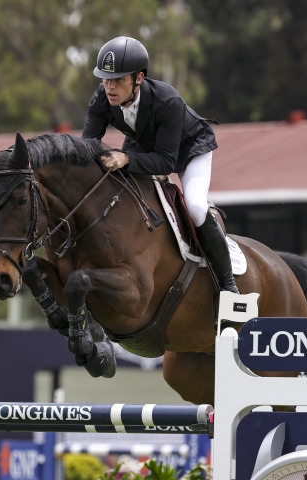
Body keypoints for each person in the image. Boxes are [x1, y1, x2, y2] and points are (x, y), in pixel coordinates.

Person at [82, 36, 239, 294]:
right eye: (105, 79)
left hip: (189, 150)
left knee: (196, 208)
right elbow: (87, 145)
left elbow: (166, 162)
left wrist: (127, 158)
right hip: (142, 144)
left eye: (119, 80)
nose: (110, 87)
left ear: (139, 79)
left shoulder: (168, 102)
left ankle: (228, 285)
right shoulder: (102, 97)